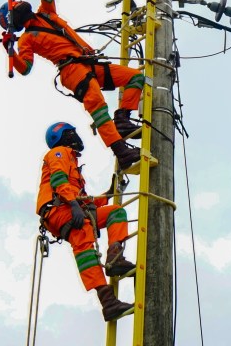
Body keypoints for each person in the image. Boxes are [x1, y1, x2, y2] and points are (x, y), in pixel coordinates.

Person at [0, 0, 145, 170]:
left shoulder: (47, 13)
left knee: (134, 78)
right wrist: (11, 52)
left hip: (88, 63)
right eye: (14, 4)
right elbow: (26, 68)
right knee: (98, 105)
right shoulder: (26, 40)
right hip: (71, 69)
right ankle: (121, 151)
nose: (18, 2)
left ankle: (122, 119)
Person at [38, 121, 136, 322]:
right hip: (60, 210)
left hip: (69, 206)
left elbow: (85, 201)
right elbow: (58, 180)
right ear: (63, 137)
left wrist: (107, 195)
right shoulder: (59, 153)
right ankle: (107, 301)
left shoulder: (72, 162)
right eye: (71, 133)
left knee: (115, 213)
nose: (76, 136)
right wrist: (73, 205)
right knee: (83, 239)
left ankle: (115, 256)